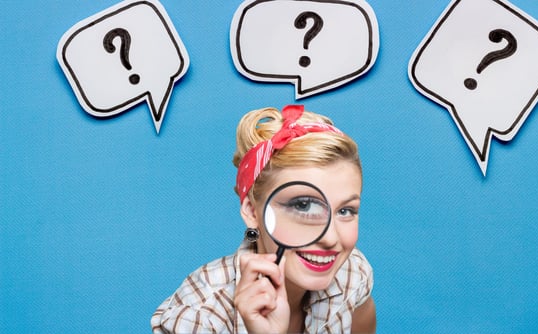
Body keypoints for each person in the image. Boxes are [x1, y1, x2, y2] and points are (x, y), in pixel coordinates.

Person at [151, 105, 375, 333]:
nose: (330, 238)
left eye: (345, 211)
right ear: (251, 211)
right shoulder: (198, 317)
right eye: (303, 205)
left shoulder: (351, 272)